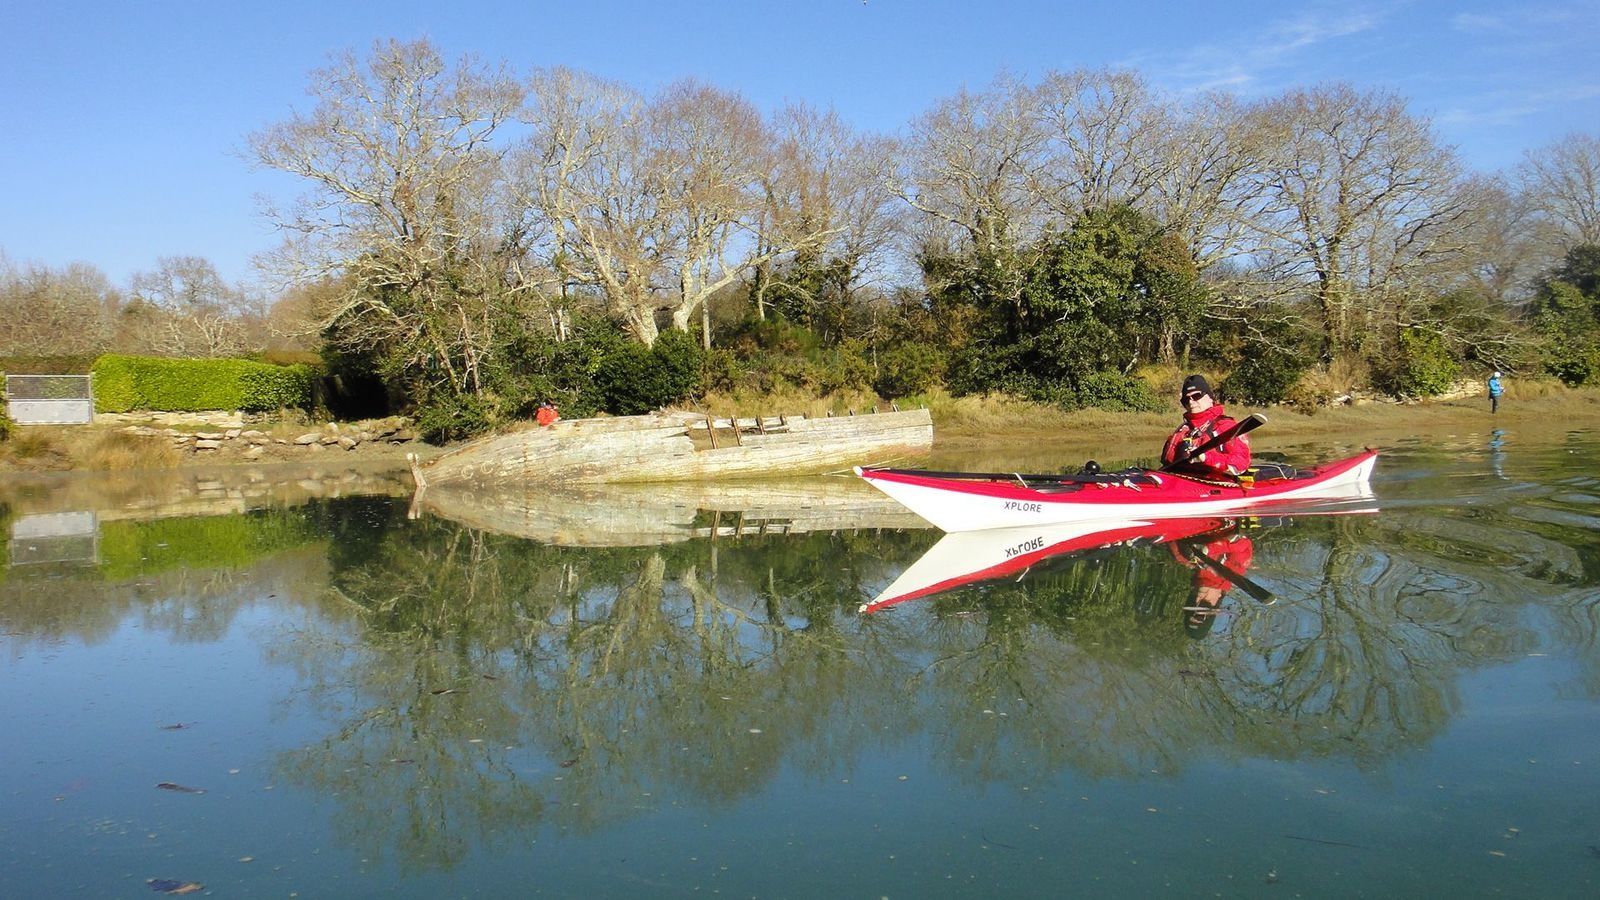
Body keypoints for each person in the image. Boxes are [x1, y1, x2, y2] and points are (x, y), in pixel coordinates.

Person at [1160, 374, 1251, 479]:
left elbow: (1241, 462)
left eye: (1196, 396)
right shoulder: (1183, 429)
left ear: (1210, 398)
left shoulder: (1225, 425)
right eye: (1186, 399)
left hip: (1215, 483)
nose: (1190, 401)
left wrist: (1205, 457)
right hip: (1179, 480)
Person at [1170, 528, 1255, 638]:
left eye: (1193, 603)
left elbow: (1170, 535)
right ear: (1218, 598)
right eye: (1205, 604)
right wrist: (1210, 549)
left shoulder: (1186, 560)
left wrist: (1184, 551)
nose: (1198, 599)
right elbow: (1243, 543)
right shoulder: (1233, 571)